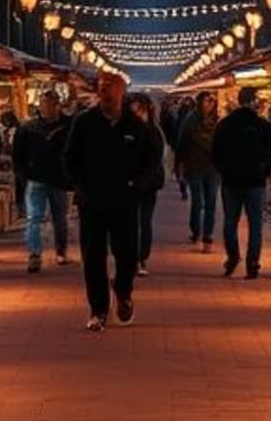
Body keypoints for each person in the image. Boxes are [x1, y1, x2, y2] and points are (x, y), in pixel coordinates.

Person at [62, 76, 158, 331]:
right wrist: (80, 186)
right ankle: (98, 310)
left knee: (127, 254)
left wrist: (137, 186)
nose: (105, 93)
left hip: (124, 201)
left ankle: (123, 292)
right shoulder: (84, 123)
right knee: (93, 256)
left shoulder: (135, 126)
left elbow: (151, 162)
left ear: (121, 92)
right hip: (92, 201)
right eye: (102, 89)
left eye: (110, 89)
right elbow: (69, 157)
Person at [210, 85, 271, 279]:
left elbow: (215, 151)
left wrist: (224, 171)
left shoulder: (225, 124)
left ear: (239, 101)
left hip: (231, 181)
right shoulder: (263, 125)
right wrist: (264, 172)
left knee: (230, 222)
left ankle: (233, 257)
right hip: (255, 182)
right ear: (253, 101)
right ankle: (252, 262)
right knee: (255, 224)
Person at [12, 90, 73, 273]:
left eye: (51, 104)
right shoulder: (28, 127)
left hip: (59, 179)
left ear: (58, 105)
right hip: (35, 179)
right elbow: (18, 154)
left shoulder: (68, 126)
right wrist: (22, 174)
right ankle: (34, 254)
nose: (47, 108)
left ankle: (61, 251)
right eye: (44, 104)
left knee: (59, 218)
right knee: (34, 218)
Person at [126, 92, 168, 276]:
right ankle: (132, 258)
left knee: (144, 222)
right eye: (134, 110)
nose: (138, 114)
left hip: (147, 185)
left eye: (140, 110)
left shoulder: (153, 132)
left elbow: (155, 160)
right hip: (129, 184)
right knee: (130, 222)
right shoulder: (125, 130)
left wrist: (140, 181)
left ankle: (141, 258)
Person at [175, 92, 222, 251]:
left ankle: (207, 235)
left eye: (212, 101)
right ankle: (196, 230)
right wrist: (179, 165)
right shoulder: (190, 121)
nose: (210, 104)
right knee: (197, 202)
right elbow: (181, 143)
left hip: (213, 168)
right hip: (194, 167)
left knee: (211, 203)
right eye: (207, 101)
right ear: (199, 102)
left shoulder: (217, 121)